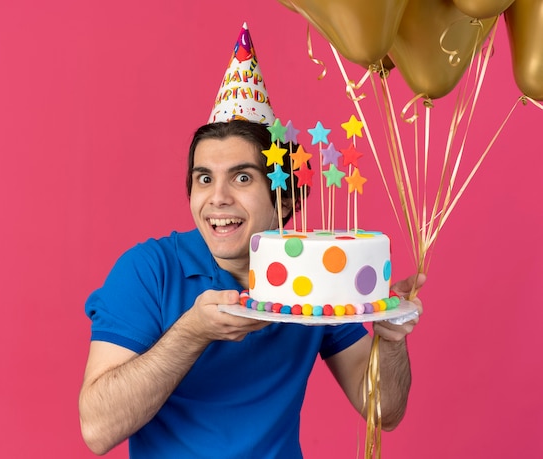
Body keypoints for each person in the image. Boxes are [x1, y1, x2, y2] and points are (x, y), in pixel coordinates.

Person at [79, 119, 425, 458]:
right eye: (204, 179)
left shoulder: (314, 272)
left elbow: (384, 412)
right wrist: (191, 334)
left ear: (285, 201)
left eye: (242, 178)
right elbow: (98, 430)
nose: (217, 198)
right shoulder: (148, 270)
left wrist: (391, 340)